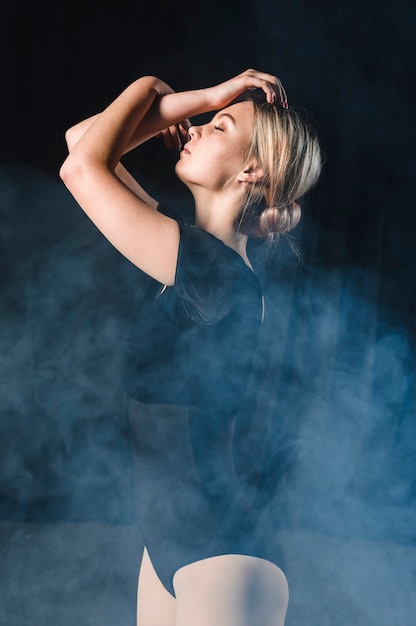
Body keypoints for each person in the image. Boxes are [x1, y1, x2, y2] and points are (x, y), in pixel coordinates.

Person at [60, 68, 322, 626]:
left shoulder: (215, 273)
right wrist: (187, 111)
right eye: (204, 119)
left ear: (252, 170)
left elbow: (80, 168)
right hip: (167, 552)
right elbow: (82, 139)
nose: (198, 127)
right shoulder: (187, 257)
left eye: (218, 125)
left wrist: (164, 90)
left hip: (221, 556)